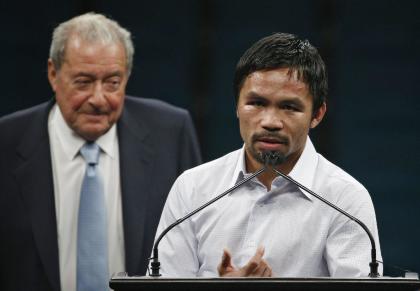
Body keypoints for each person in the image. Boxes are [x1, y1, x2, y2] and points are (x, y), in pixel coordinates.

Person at [153, 33, 382, 277]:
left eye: (289, 107)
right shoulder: (192, 188)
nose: (270, 122)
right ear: (236, 106)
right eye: (256, 103)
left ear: (317, 114)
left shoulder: (346, 200)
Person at [0, 13, 201, 291]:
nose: (98, 99)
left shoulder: (171, 132)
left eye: (112, 83)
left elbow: (196, 241)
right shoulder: (7, 141)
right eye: (83, 82)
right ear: (53, 73)